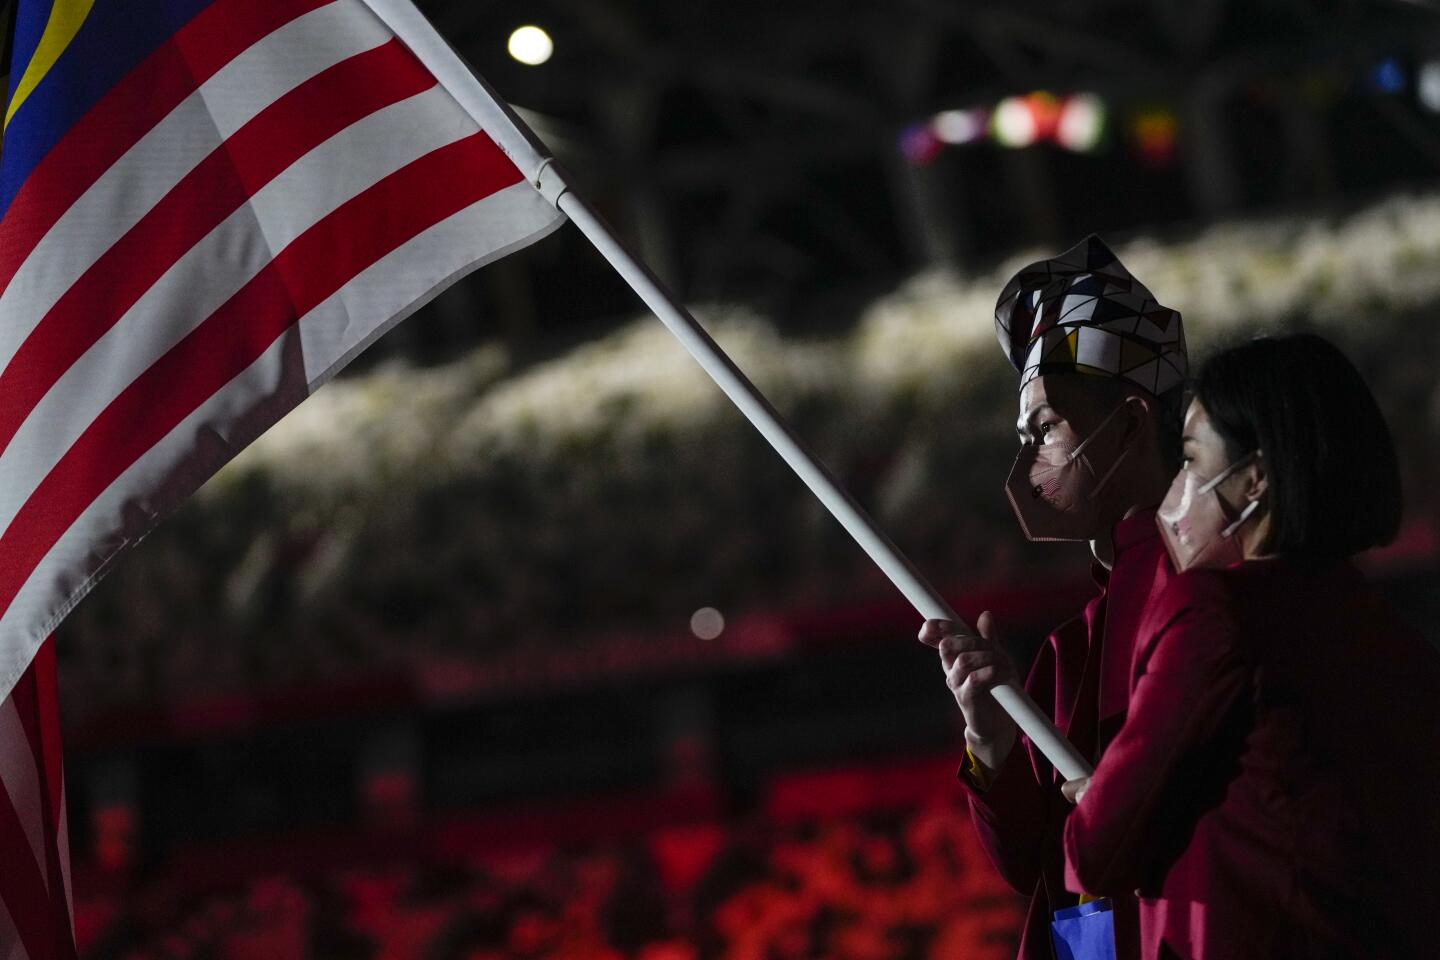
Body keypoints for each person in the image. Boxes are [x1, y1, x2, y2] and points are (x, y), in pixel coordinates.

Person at [1060, 333, 1440, 959]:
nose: (1176, 486)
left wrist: (1102, 796)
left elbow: (1093, 851)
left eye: (1189, 459)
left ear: (1255, 476)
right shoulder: (1390, 637)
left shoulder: (1215, 612)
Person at [918, 235, 1187, 960]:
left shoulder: (1208, 598)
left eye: (1044, 428)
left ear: (1131, 422)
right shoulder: (1071, 647)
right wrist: (990, 737)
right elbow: (1029, 863)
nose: (1029, 463)